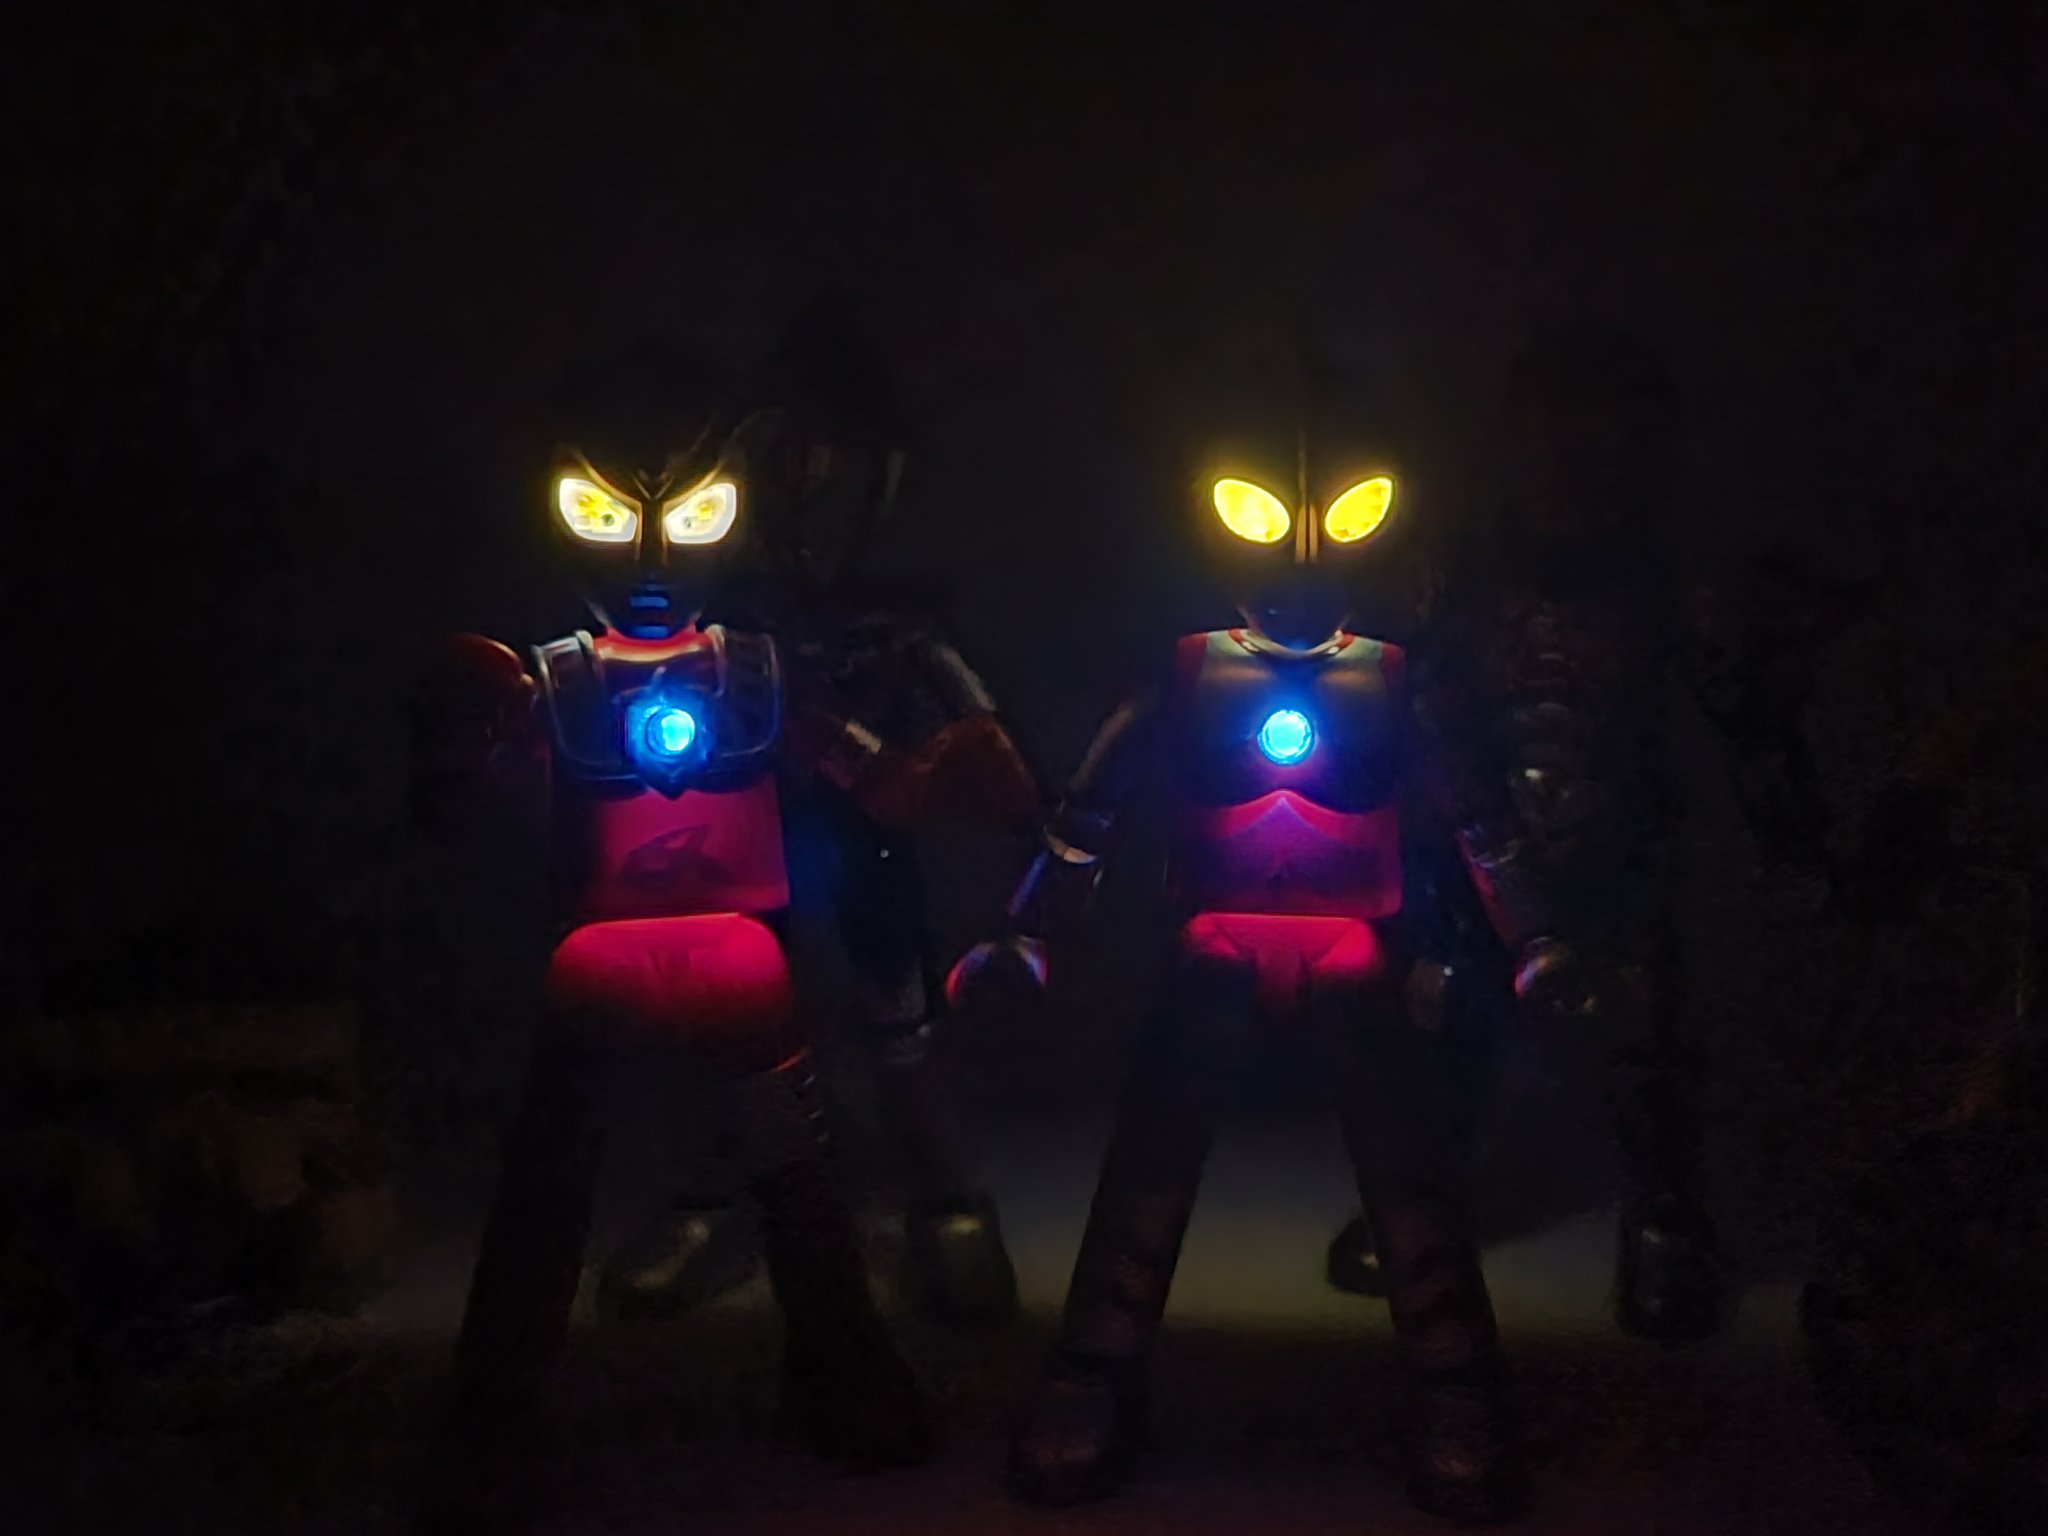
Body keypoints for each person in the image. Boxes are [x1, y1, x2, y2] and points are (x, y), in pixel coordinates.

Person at [951, 395, 1520, 1523]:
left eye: (1342, 518)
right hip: (1216, 943)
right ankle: (1095, 1366)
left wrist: (1534, 941)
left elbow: (1480, 828)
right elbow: (1086, 818)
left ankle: (1456, 1377)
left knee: (1405, 1168)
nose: (1300, 559)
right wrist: (1026, 928)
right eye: (1263, 517)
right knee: (1153, 1161)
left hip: (1350, 947)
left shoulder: (1396, 683)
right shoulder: (1184, 673)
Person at [410, 339, 930, 1534]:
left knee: (796, 1170)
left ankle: (840, 1362)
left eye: (691, 515)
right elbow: (465, 813)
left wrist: (935, 778)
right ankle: (494, 1403)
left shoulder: (754, 670)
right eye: (603, 513)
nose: (649, 555)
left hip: (737, 952)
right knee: (550, 1178)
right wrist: (462, 749)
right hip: (600, 952)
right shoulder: (547, 681)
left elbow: (865, 771)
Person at [596, 295, 1043, 1327]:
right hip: (742, 836)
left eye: (826, 469)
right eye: (777, 464)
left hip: (864, 835)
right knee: (732, 1017)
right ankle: (720, 1197)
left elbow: (977, 722)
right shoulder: (719, 616)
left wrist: (1033, 813)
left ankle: (938, 1194)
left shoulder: (895, 616)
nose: (801, 501)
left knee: (898, 1011)